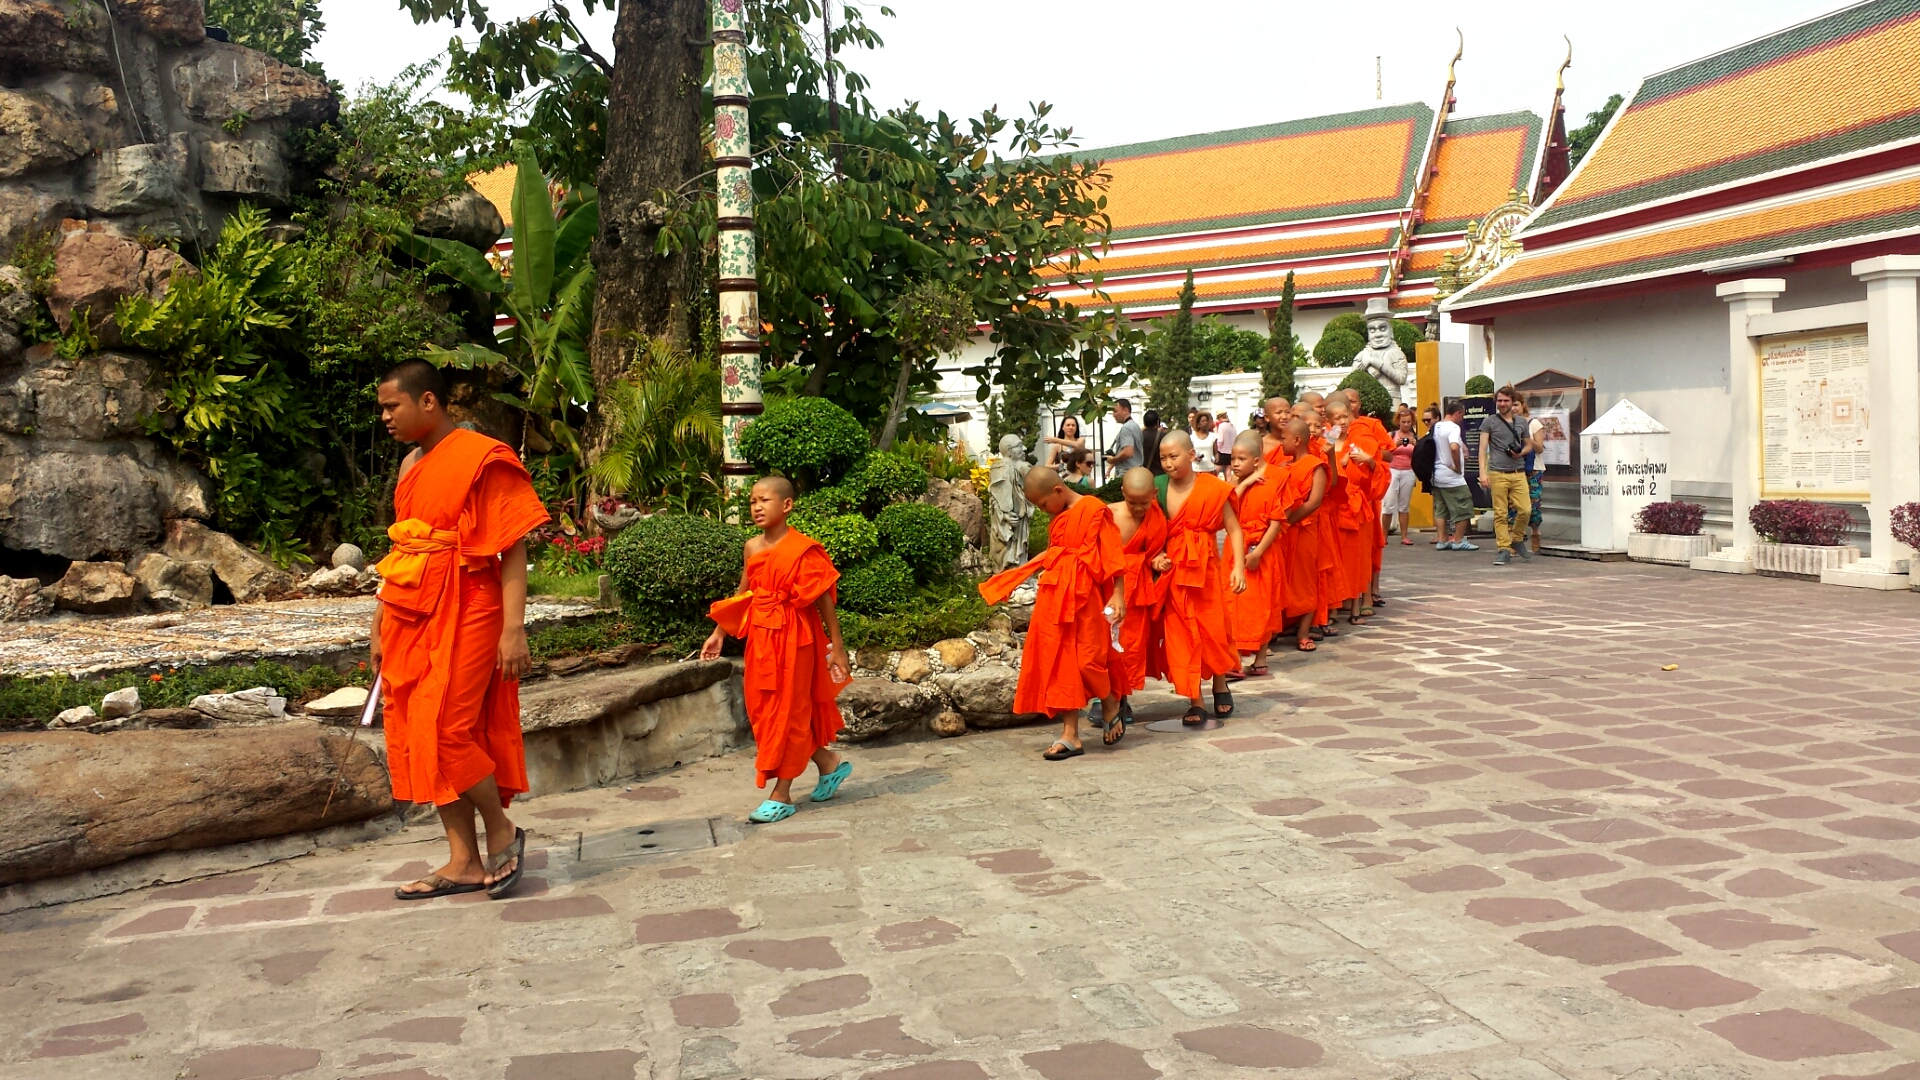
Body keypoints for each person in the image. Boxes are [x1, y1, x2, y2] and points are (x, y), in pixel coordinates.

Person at [371, 360, 551, 901]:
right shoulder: (409, 466)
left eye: (391, 406)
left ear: (429, 402)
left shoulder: (482, 458)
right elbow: (404, 549)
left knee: (448, 729)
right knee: (420, 728)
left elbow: (512, 547)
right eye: (381, 408)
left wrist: (513, 628)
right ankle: (463, 860)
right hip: (411, 606)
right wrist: (379, 624)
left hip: (472, 601)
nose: (385, 417)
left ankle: (500, 829)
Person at [702, 477, 853, 822]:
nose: (756, 506)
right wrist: (719, 633)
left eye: (764, 500)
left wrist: (838, 646)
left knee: (791, 711)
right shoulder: (752, 547)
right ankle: (828, 763)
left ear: (786, 506)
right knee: (764, 710)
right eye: (753, 501)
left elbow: (824, 600)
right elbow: (744, 595)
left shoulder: (804, 549)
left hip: (796, 637)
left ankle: (781, 794)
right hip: (761, 638)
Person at [982, 466, 1127, 758]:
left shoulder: (1094, 510)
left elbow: (1112, 553)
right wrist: (1017, 575)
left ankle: (1110, 700)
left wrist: (1119, 593)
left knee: (1089, 660)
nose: (1043, 510)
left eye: (1043, 504)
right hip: (1055, 595)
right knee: (1060, 663)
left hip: (1086, 596)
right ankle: (1070, 734)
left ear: (1058, 491)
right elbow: (1054, 553)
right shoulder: (1059, 518)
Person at [1154, 430, 1245, 724]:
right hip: (1174, 575)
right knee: (1182, 637)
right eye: (1162, 458)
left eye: (1173, 456)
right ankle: (1195, 698)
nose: (1167, 464)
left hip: (1206, 574)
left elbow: (1234, 529)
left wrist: (1239, 567)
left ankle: (1220, 682)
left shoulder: (1211, 487)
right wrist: (1156, 557)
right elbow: (1152, 533)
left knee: (1213, 631)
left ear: (1192, 455)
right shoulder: (1158, 488)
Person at [1109, 467, 1166, 726]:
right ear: (1123, 493)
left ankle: (1122, 698)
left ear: (1154, 494)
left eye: (1144, 502)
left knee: (1131, 646)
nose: (1138, 508)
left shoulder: (1156, 516)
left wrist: (1158, 562)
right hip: (1110, 590)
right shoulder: (1110, 514)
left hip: (1138, 590)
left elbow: (1153, 550)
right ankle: (1105, 697)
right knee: (1108, 646)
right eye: (1132, 502)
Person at [1224, 431, 1279, 678]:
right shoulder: (1231, 484)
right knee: (1232, 605)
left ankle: (1260, 659)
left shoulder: (1270, 485)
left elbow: (1276, 523)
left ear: (1256, 461)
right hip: (1234, 549)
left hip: (1261, 551)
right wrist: (1244, 483)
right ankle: (1234, 660)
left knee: (1261, 606)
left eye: (1241, 459)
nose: (1235, 463)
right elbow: (1225, 505)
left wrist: (1259, 553)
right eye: (1233, 458)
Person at [1274, 418, 1330, 652]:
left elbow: (1314, 501)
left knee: (1306, 580)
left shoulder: (1315, 466)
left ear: (1296, 440)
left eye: (1284, 438)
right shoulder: (1283, 466)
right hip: (1285, 532)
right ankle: (1283, 624)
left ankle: (1304, 632)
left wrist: (1288, 521)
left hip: (1305, 530)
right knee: (1282, 578)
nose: (1281, 443)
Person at [1478, 384, 1539, 566]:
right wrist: (1483, 472)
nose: (1502, 404)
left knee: (1526, 510)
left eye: (1506, 400)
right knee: (1501, 513)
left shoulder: (1521, 422)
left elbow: (1529, 444)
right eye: (1499, 400)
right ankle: (1503, 548)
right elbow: (1482, 449)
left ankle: (1517, 538)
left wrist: (1521, 453)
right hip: (1498, 472)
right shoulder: (1489, 422)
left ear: (1513, 402)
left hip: (1518, 472)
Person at [1432, 399, 1477, 552]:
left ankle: (1442, 539)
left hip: (1437, 474)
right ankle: (1458, 540)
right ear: (1457, 413)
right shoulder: (1453, 428)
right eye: (1462, 415)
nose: (1462, 419)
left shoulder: (1436, 426)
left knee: (1441, 508)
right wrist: (1457, 466)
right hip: (1452, 476)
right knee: (1464, 506)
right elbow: (1453, 447)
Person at [1383, 406, 1418, 546]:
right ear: (1398, 421)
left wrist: (1416, 445)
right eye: (1403, 422)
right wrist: (1393, 445)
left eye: (1409, 422)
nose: (1406, 424)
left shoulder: (1414, 437)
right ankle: (1383, 536)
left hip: (1408, 471)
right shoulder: (1391, 435)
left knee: (1404, 505)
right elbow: (1383, 453)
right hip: (1392, 470)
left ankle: (1404, 536)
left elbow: (1419, 456)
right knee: (1388, 504)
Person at [1105, 398, 1144, 475]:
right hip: (1136, 471)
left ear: (1125, 410)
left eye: (1115, 411)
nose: (1113, 415)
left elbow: (1128, 452)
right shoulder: (1135, 426)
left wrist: (1113, 460)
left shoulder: (1126, 428)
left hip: (1127, 472)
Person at [1140, 409, 1166, 477]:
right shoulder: (1164, 437)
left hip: (1144, 476)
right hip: (1161, 474)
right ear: (1158, 422)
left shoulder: (1139, 437)